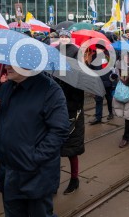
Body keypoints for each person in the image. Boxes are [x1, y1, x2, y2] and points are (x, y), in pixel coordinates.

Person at [0, 65, 69, 216]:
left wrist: (34, 158)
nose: (8, 66)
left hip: (36, 174)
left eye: (14, 61)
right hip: (8, 171)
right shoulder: (6, 87)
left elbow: (60, 131)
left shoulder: (50, 90)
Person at [54, 29, 86, 195]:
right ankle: (53, 182)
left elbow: (81, 77)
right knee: (53, 147)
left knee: (71, 147)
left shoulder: (77, 52)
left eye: (66, 36)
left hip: (72, 105)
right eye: (61, 36)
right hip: (55, 104)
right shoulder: (54, 51)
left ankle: (74, 179)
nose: (64, 38)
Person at [112, 52, 129, 148]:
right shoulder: (119, 65)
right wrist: (113, 77)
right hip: (122, 93)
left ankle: (126, 137)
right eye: (125, 56)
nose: (127, 58)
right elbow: (113, 77)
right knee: (127, 116)